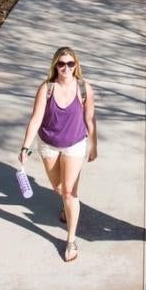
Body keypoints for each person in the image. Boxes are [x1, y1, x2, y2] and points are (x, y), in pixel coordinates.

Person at [19, 47, 97, 262]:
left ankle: (71, 240)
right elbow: (35, 119)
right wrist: (25, 147)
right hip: (49, 145)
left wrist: (94, 145)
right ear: (55, 65)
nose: (66, 68)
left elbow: (90, 119)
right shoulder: (47, 89)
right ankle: (66, 203)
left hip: (75, 145)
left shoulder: (84, 89)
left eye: (70, 64)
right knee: (58, 188)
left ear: (76, 65)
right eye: (61, 64)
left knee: (70, 193)